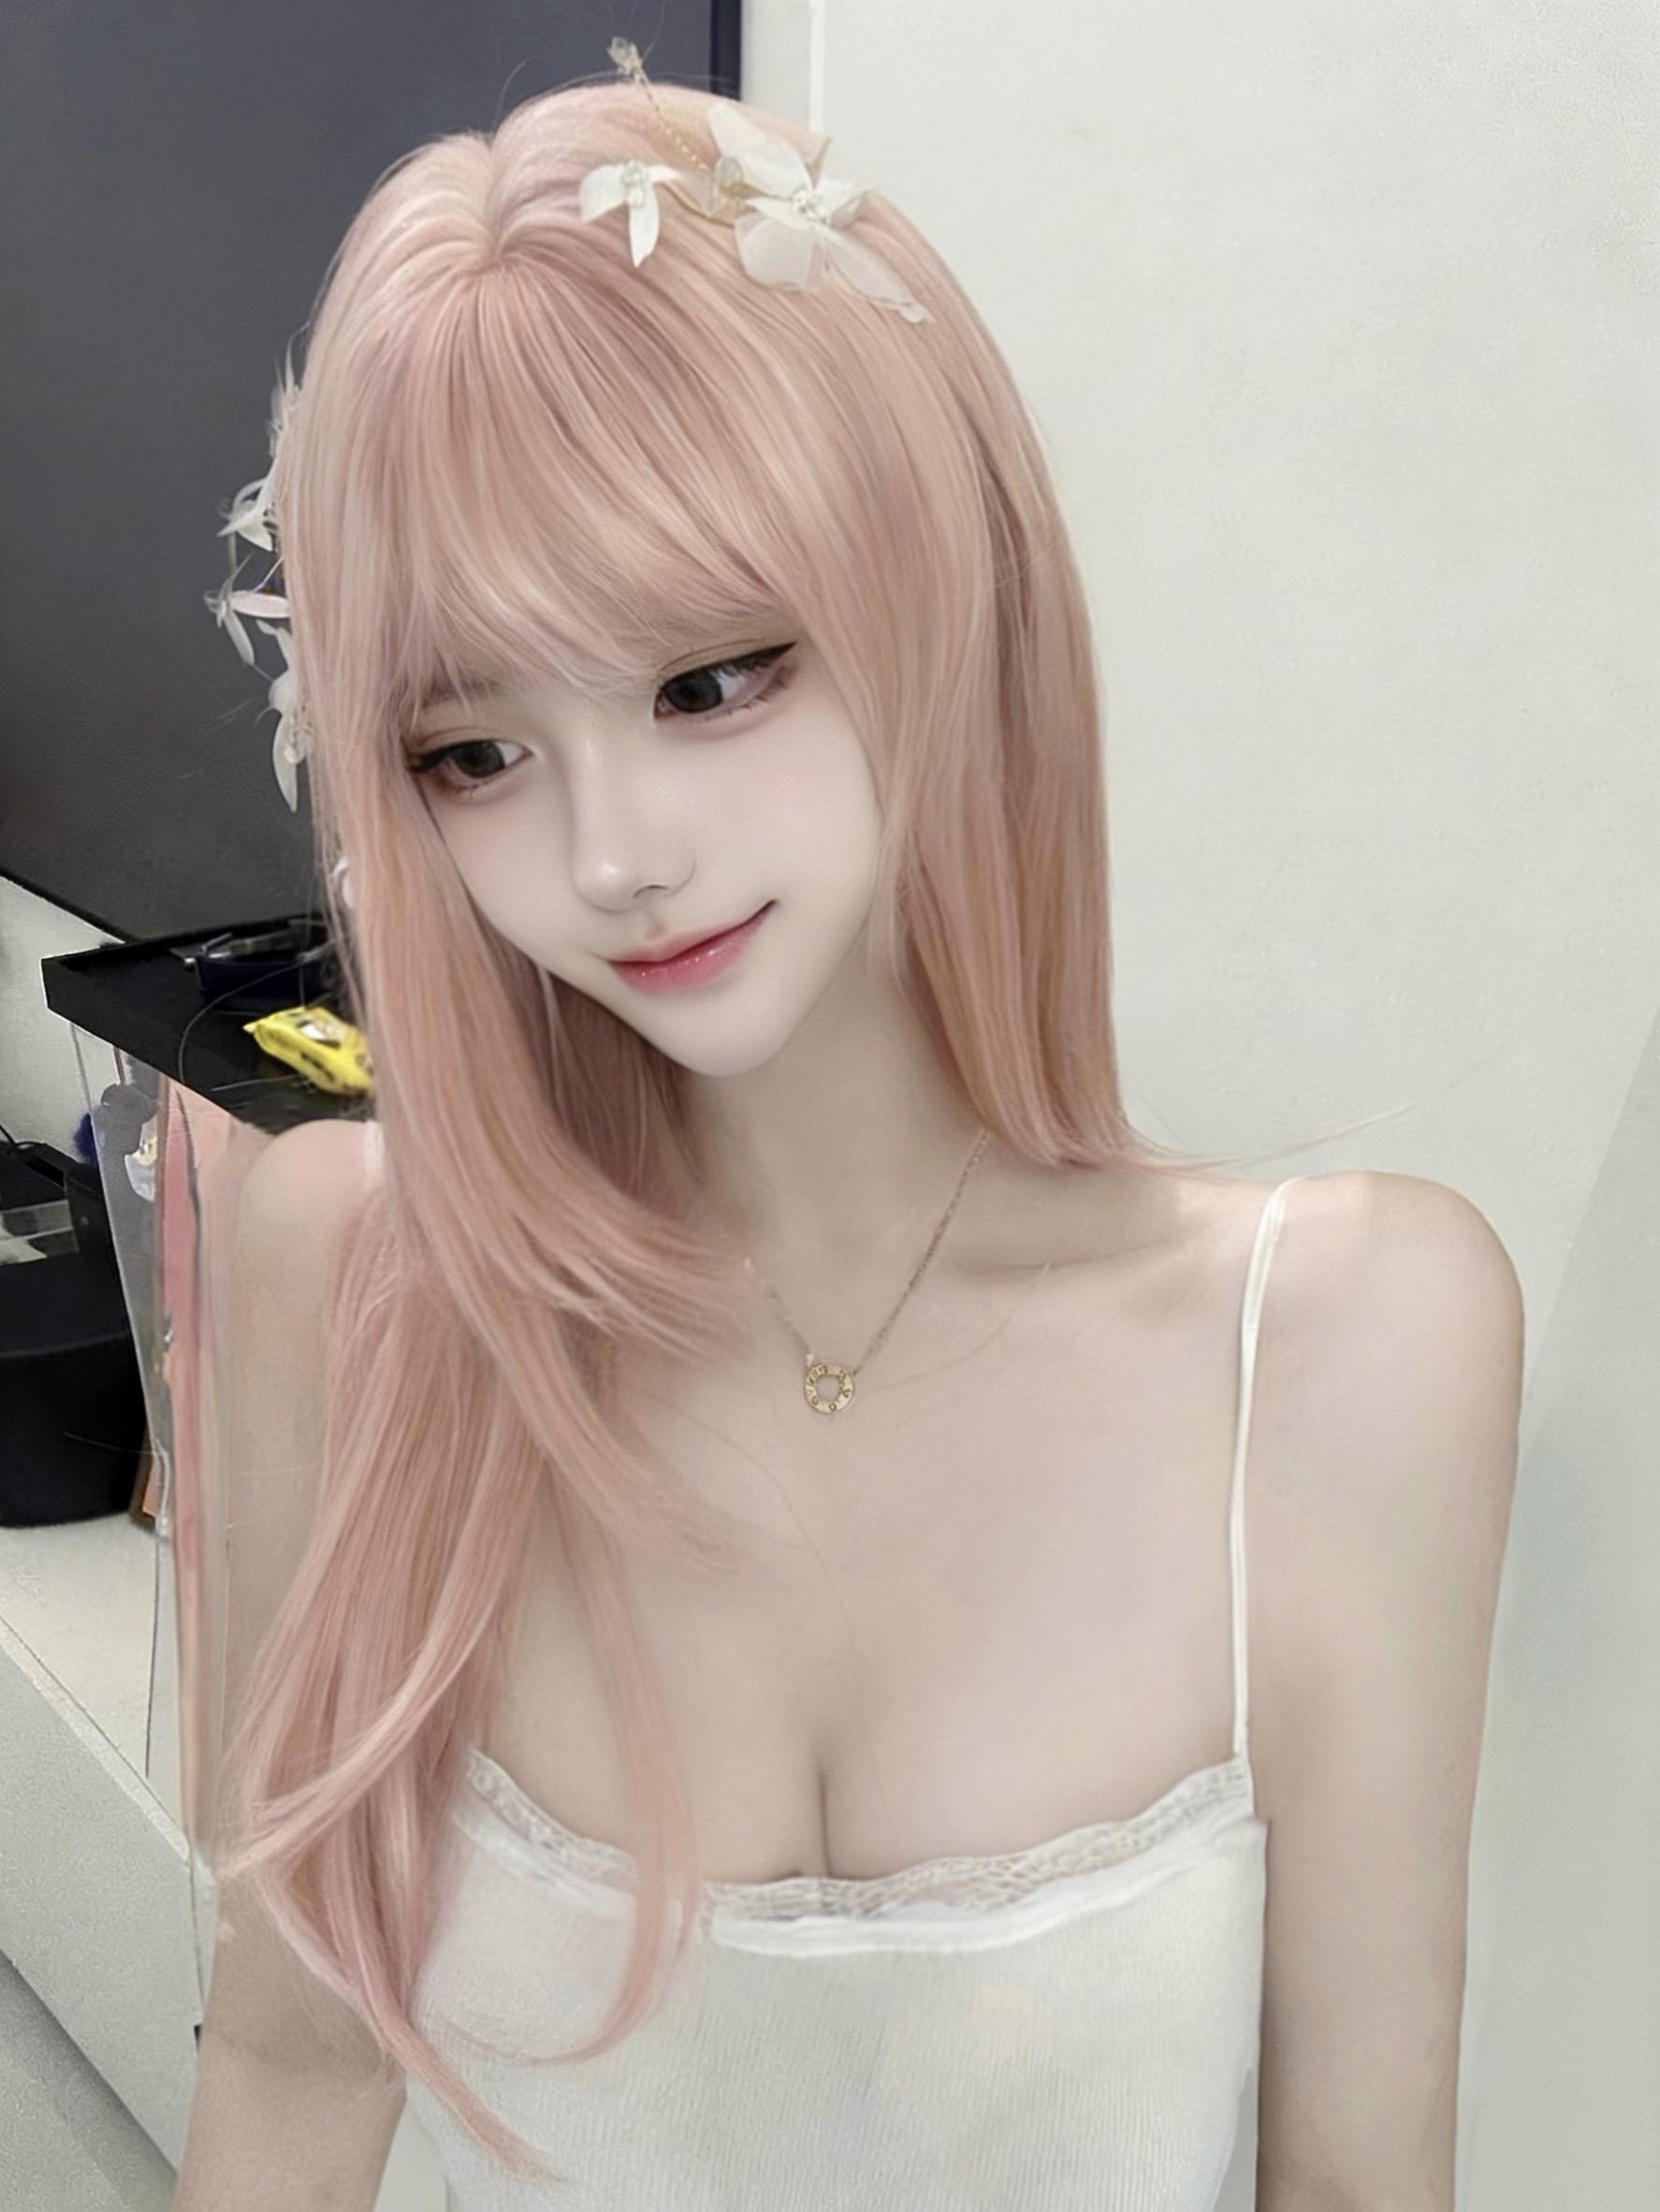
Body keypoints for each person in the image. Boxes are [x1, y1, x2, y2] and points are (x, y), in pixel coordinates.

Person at [175, 39, 1524, 2211]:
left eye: (709, 679)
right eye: (471, 751)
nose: (613, 854)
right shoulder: (353, 1266)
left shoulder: (1348, 1340)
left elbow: (1360, 2179)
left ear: (942, 586)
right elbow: (290, 2060)